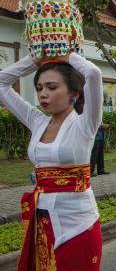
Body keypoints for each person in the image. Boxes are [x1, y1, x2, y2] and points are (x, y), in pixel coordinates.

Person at [0, 53, 103, 270]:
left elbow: (93, 73)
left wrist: (67, 56)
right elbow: (1, 83)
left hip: (79, 224)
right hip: (43, 219)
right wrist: (33, 60)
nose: (43, 94)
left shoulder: (85, 124)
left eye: (52, 87)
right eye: (39, 88)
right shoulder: (37, 121)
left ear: (74, 92)